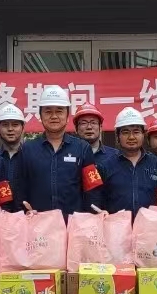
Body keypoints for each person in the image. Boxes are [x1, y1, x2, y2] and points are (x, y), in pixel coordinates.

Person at [14, 85, 104, 216]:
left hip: (73, 224)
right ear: (40, 115)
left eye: (59, 111)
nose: (54, 116)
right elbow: (19, 189)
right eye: (48, 112)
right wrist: (24, 212)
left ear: (67, 115)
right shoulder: (27, 149)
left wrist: (90, 217)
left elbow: (93, 189)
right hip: (37, 223)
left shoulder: (82, 148)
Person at [97, 107, 157, 217]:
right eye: (125, 132)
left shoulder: (155, 164)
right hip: (117, 225)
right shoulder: (105, 166)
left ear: (143, 135)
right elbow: (98, 199)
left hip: (149, 225)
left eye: (136, 132)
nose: (131, 137)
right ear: (118, 137)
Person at [0, 103, 27, 212]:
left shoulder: (32, 157)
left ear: (23, 128)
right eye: (5, 125)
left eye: (15, 125)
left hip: (27, 217)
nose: (10, 129)